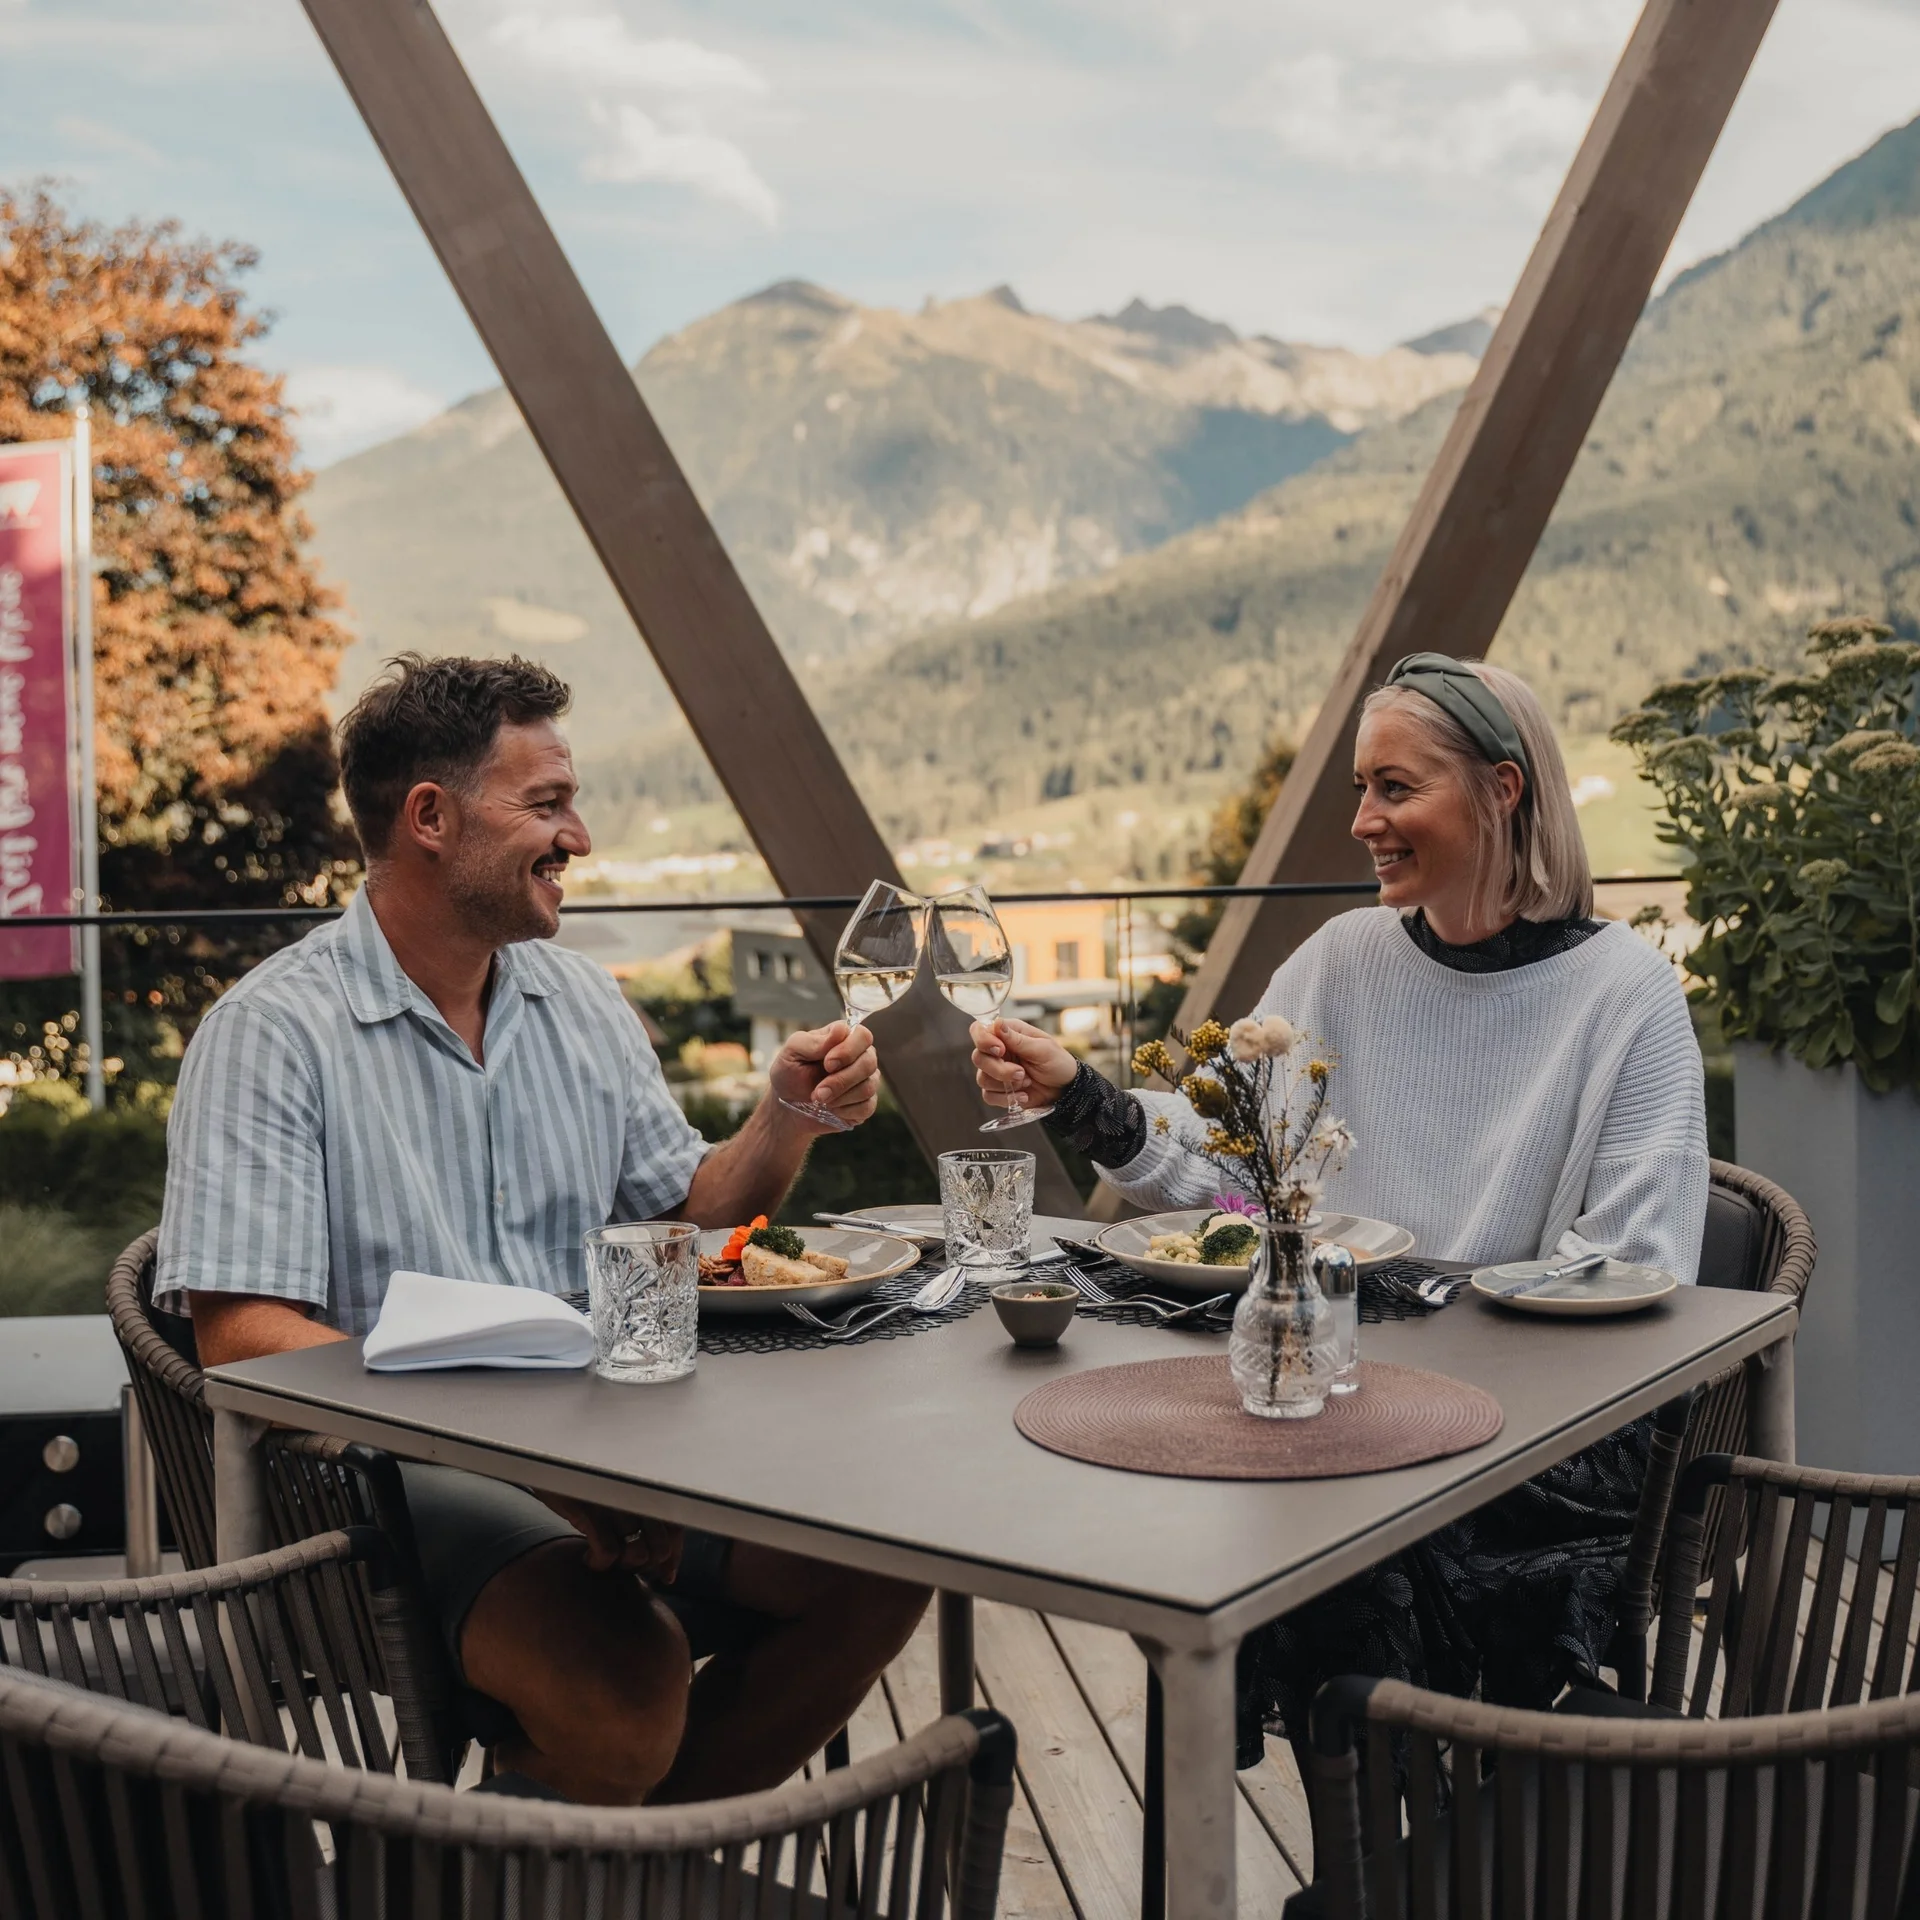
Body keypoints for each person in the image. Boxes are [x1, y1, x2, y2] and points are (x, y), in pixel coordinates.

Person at [156, 653, 928, 1806]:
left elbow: (679, 1218)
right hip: (377, 1481)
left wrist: (787, 1116)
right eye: (547, 803)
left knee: (879, 1570)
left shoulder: (578, 1001)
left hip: (604, 1450)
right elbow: (244, 1338)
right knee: (629, 1678)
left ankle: (595, 1868)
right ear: (430, 817)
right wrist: (519, 1456)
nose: (580, 835)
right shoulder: (270, 1033)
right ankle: (563, 1865)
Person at [972, 653, 1708, 1745]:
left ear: (1504, 790)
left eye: (1396, 788)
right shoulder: (1345, 958)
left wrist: (1400, 1306)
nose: (1363, 819)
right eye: (1361, 788)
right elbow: (1225, 1161)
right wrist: (1078, 1095)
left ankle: (1400, 1861)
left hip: (1543, 1447)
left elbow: (1637, 1268)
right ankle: (1371, 1857)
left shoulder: (1627, 996)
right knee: (1191, 1504)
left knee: (1337, 1558)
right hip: (1348, 1403)